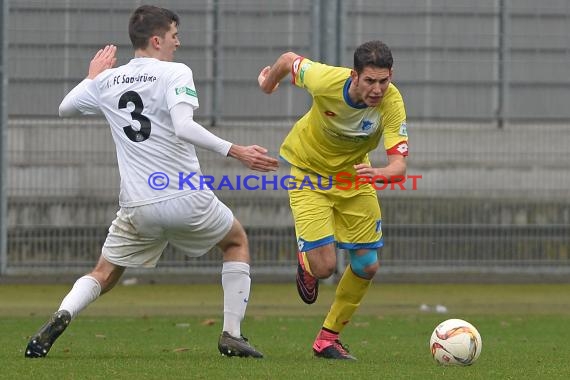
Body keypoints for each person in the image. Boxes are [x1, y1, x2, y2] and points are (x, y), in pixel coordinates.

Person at [25, 5, 278, 359]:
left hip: (138, 206)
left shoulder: (107, 81)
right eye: (175, 36)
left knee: (105, 273)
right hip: (185, 196)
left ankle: (62, 314)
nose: (178, 42)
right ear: (157, 40)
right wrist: (236, 150)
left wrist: (91, 76)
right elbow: (183, 126)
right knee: (236, 241)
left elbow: (65, 107)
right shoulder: (176, 72)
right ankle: (231, 335)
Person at [258, 41, 409, 360]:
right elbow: (287, 59)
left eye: (384, 81)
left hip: (355, 178)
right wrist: (268, 84)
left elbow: (399, 167)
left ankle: (328, 339)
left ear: (391, 76)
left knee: (367, 265)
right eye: (370, 81)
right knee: (324, 267)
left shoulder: (392, 102)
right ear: (355, 76)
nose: (377, 89)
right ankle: (307, 262)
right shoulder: (325, 80)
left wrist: (380, 173)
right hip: (308, 174)